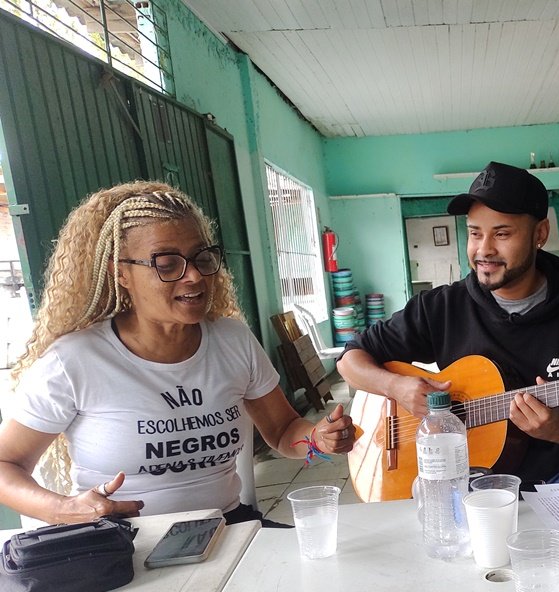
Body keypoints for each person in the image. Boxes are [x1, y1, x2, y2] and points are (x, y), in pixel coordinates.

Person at [0, 181, 355, 527]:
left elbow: (282, 430)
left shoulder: (232, 341)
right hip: (128, 546)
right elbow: (6, 464)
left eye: (201, 258)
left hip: (227, 529)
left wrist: (318, 439)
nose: (195, 277)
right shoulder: (75, 360)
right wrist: (64, 510)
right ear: (120, 273)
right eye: (167, 264)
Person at [338, 160, 559, 488]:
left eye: (502, 234)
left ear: (540, 233)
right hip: (470, 471)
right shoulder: (441, 307)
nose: (484, 249)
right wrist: (396, 387)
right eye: (475, 233)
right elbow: (351, 360)